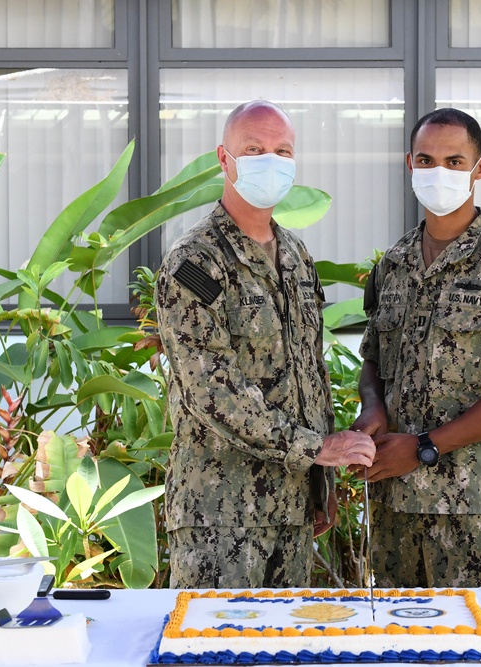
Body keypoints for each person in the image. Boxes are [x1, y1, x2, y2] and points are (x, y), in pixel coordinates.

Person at [156, 100, 375, 589]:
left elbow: (308, 373)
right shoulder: (197, 262)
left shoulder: (295, 254)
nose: (269, 161)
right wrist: (318, 448)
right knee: (213, 652)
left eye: (282, 151)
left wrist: (323, 483)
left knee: (284, 649)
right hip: (222, 514)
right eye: (254, 149)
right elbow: (212, 391)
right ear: (224, 159)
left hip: (294, 508)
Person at [352, 108, 481, 588]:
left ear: (479, 169)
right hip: (396, 506)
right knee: (399, 648)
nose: (437, 172)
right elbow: (374, 362)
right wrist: (372, 406)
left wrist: (423, 448)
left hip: (479, 512)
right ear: (409, 164)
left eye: (453, 160)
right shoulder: (393, 266)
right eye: (425, 160)